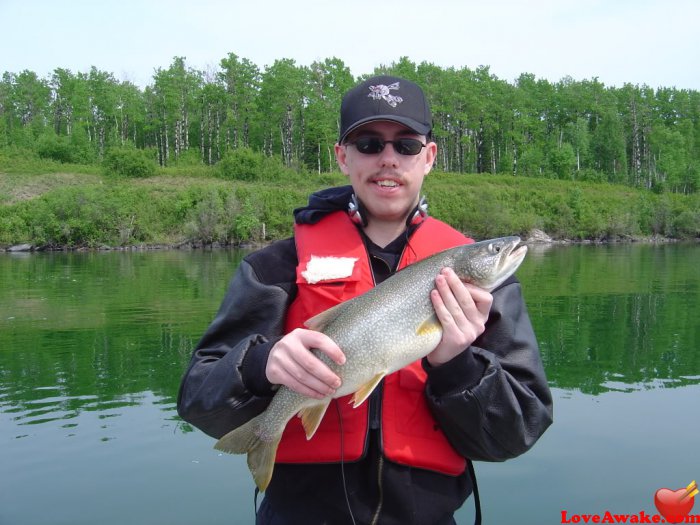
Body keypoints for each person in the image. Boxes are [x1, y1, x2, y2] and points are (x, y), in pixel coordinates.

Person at [177, 75, 553, 525]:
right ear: (343, 157)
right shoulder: (273, 268)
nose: (388, 159)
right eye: (369, 144)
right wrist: (260, 366)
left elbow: (516, 433)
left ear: (429, 157)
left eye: (406, 146)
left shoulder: (486, 288)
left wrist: (457, 364)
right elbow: (197, 399)